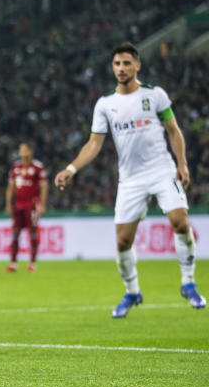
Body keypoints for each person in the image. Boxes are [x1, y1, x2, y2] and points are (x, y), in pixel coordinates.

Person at [55, 42, 205, 318]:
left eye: (126, 63)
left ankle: (188, 283)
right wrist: (71, 169)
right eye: (117, 64)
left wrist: (182, 164)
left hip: (161, 169)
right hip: (131, 179)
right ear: (112, 68)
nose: (121, 69)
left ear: (137, 66)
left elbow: (174, 131)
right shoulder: (105, 105)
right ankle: (133, 291)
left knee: (180, 220)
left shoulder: (155, 95)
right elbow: (94, 144)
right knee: (123, 241)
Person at [5, 142, 47, 273]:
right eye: (20, 150)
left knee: (33, 232)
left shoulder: (38, 167)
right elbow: (10, 187)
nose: (21, 152)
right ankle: (13, 264)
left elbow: (44, 187)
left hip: (32, 205)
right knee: (15, 232)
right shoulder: (15, 168)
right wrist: (8, 203)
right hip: (18, 204)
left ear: (30, 151)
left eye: (23, 150)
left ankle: (32, 264)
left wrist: (42, 205)